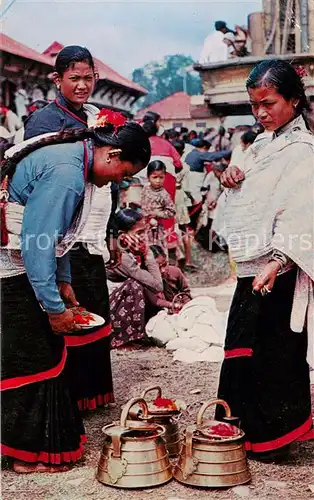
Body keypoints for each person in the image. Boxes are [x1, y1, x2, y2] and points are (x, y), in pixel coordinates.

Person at [0, 121, 151, 473]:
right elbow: (38, 244)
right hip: (13, 267)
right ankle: (27, 454)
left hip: (23, 262)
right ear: (112, 154)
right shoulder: (68, 173)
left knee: (42, 354)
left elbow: (58, 235)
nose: (117, 182)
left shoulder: (75, 159)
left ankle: (31, 448)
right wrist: (53, 308)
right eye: (122, 173)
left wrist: (64, 281)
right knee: (35, 357)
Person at [215, 59, 314, 459]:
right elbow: (250, 199)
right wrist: (231, 177)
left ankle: (275, 438)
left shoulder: (303, 152)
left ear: (293, 100)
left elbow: (302, 209)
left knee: (275, 350)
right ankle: (243, 428)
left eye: (268, 103)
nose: (260, 113)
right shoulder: (259, 146)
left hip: (280, 265)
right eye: (254, 105)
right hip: (252, 263)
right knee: (241, 343)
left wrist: (279, 260)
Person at [22, 45, 118, 411]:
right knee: (64, 308)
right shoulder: (44, 121)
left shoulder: (96, 116)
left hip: (91, 226)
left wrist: (110, 232)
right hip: (58, 225)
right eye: (73, 78)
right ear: (56, 79)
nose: (81, 85)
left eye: (87, 78)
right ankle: (70, 397)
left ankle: (93, 395)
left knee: (90, 305)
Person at [107, 209, 163, 348]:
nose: (144, 237)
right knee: (134, 285)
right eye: (139, 233)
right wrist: (147, 253)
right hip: (108, 309)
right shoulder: (122, 257)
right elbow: (157, 285)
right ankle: (123, 338)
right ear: (122, 235)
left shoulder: (124, 250)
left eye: (145, 232)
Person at [141, 160, 176, 250]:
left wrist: (157, 214)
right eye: (155, 177)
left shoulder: (164, 195)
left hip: (157, 228)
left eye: (161, 177)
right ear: (148, 177)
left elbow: (172, 211)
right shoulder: (145, 188)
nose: (158, 181)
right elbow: (143, 203)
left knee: (157, 250)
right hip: (144, 225)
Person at [148, 245, 192, 312]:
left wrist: (186, 306)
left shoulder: (175, 271)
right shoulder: (146, 278)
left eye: (164, 264)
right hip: (159, 311)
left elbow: (185, 291)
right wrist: (171, 305)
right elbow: (155, 300)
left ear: (165, 258)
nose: (163, 270)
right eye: (157, 267)